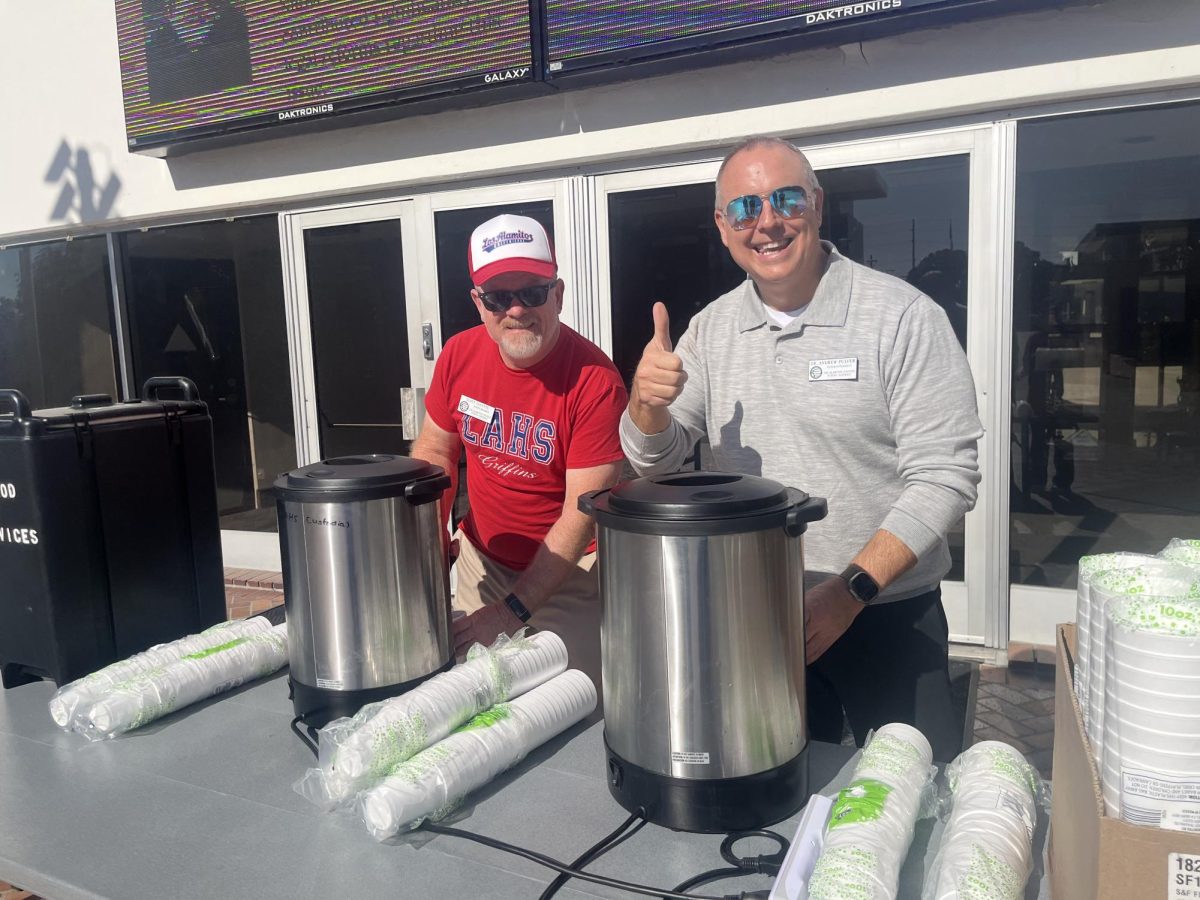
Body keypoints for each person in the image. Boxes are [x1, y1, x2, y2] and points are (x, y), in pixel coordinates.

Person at [620, 136, 983, 762]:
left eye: (785, 198)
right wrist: (646, 407)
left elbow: (946, 477)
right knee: (776, 788)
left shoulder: (902, 318)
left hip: (884, 611)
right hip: (756, 611)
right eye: (745, 207)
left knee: (918, 802)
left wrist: (849, 591)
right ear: (723, 225)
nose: (767, 222)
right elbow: (661, 463)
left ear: (816, 204)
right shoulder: (711, 329)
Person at [411, 214, 627, 699]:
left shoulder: (595, 380)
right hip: (481, 563)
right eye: (497, 297)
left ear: (558, 293)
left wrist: (511, 612)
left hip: (571, 572)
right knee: (467, 698)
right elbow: (435, 449)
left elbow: (583, 511)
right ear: (478, 302)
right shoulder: (457, 355)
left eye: (531, 292)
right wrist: (428, 542)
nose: (516, 310)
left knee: (558, 708)